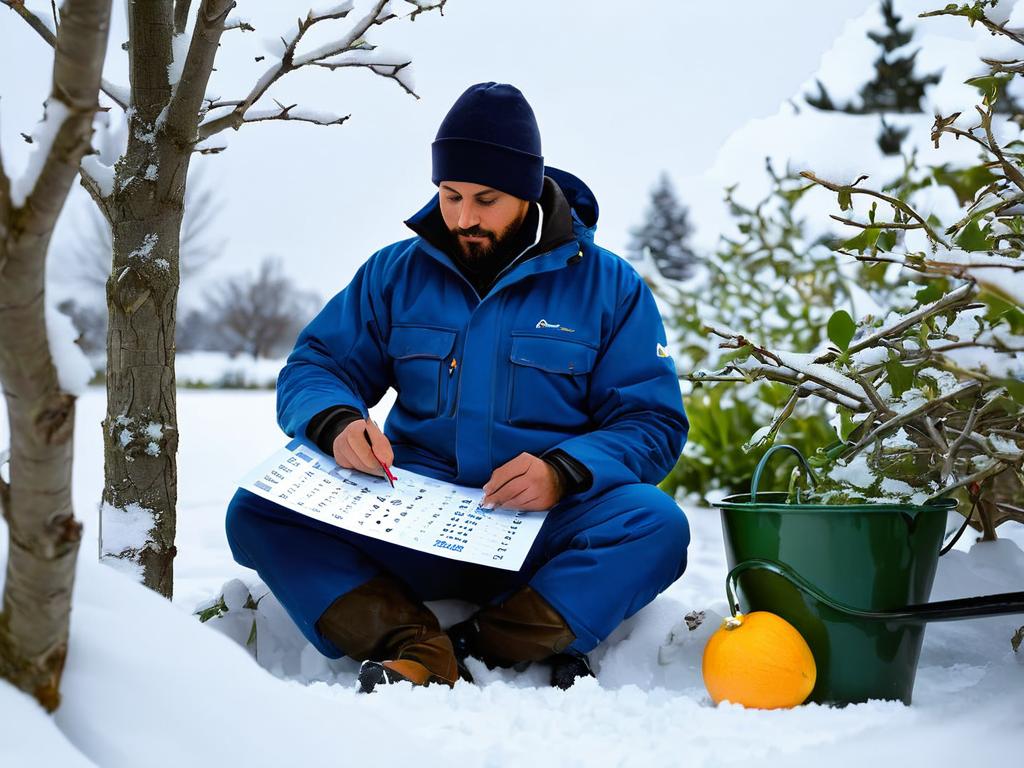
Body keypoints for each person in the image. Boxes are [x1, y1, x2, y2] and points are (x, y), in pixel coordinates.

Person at [225, 82, 690, 693]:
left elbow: (652, 423)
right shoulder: (395, 272)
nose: (464, 217)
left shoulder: (610, 288)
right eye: (450, 196)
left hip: (543, 531)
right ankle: (413, 647)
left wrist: (564, 471)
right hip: (410, 517)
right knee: (259, 509)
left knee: (658, 525)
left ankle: (484, 645)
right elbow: (317, 366)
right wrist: (338, 423)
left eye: (486, 199)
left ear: (527, 189)